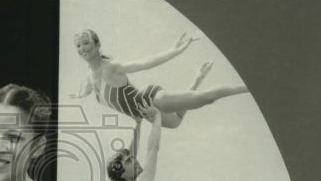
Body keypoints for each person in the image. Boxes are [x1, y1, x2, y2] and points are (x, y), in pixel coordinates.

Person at [72, 28, 245, 128]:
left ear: (97, 45)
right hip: (147, 114)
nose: (82, 48)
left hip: (149, 100)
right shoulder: (89, 77)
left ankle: (249, 87)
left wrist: (174, 50)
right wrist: (78, 95)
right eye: (78, 45)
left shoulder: (111, 67)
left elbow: (144, 63)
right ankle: (198, 79)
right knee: (176, 122)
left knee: (206, 99)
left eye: (86, 43)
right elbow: (85, 91)